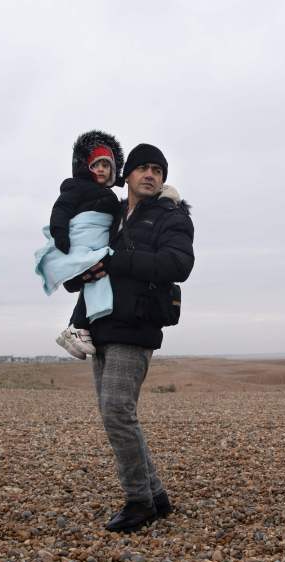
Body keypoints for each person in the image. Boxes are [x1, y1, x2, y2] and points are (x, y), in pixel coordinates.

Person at [64, 143, 194, 533]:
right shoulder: (112, 214)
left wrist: (117, 259)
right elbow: (83, 258)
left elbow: (178, 264)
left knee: (118, 412)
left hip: (136, 327)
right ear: (128, 175)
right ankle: (155, 495)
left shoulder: (171, 217)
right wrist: (76, 275)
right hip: (101, 326)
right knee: (113, 413)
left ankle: (139, 501)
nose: (150, 175)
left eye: (157, 170)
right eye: (143, 168)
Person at [35, 130, 124, 359]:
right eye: (97, 164)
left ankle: (76, 327)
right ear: (87, 167)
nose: (102, 169)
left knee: (95, 280)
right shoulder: (75, 186)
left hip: (97, 244)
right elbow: (62, 209)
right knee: (97, 273)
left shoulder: (111, 196)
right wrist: (60, 233)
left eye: (107, 165)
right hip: (82, 242)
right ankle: (77, 326)